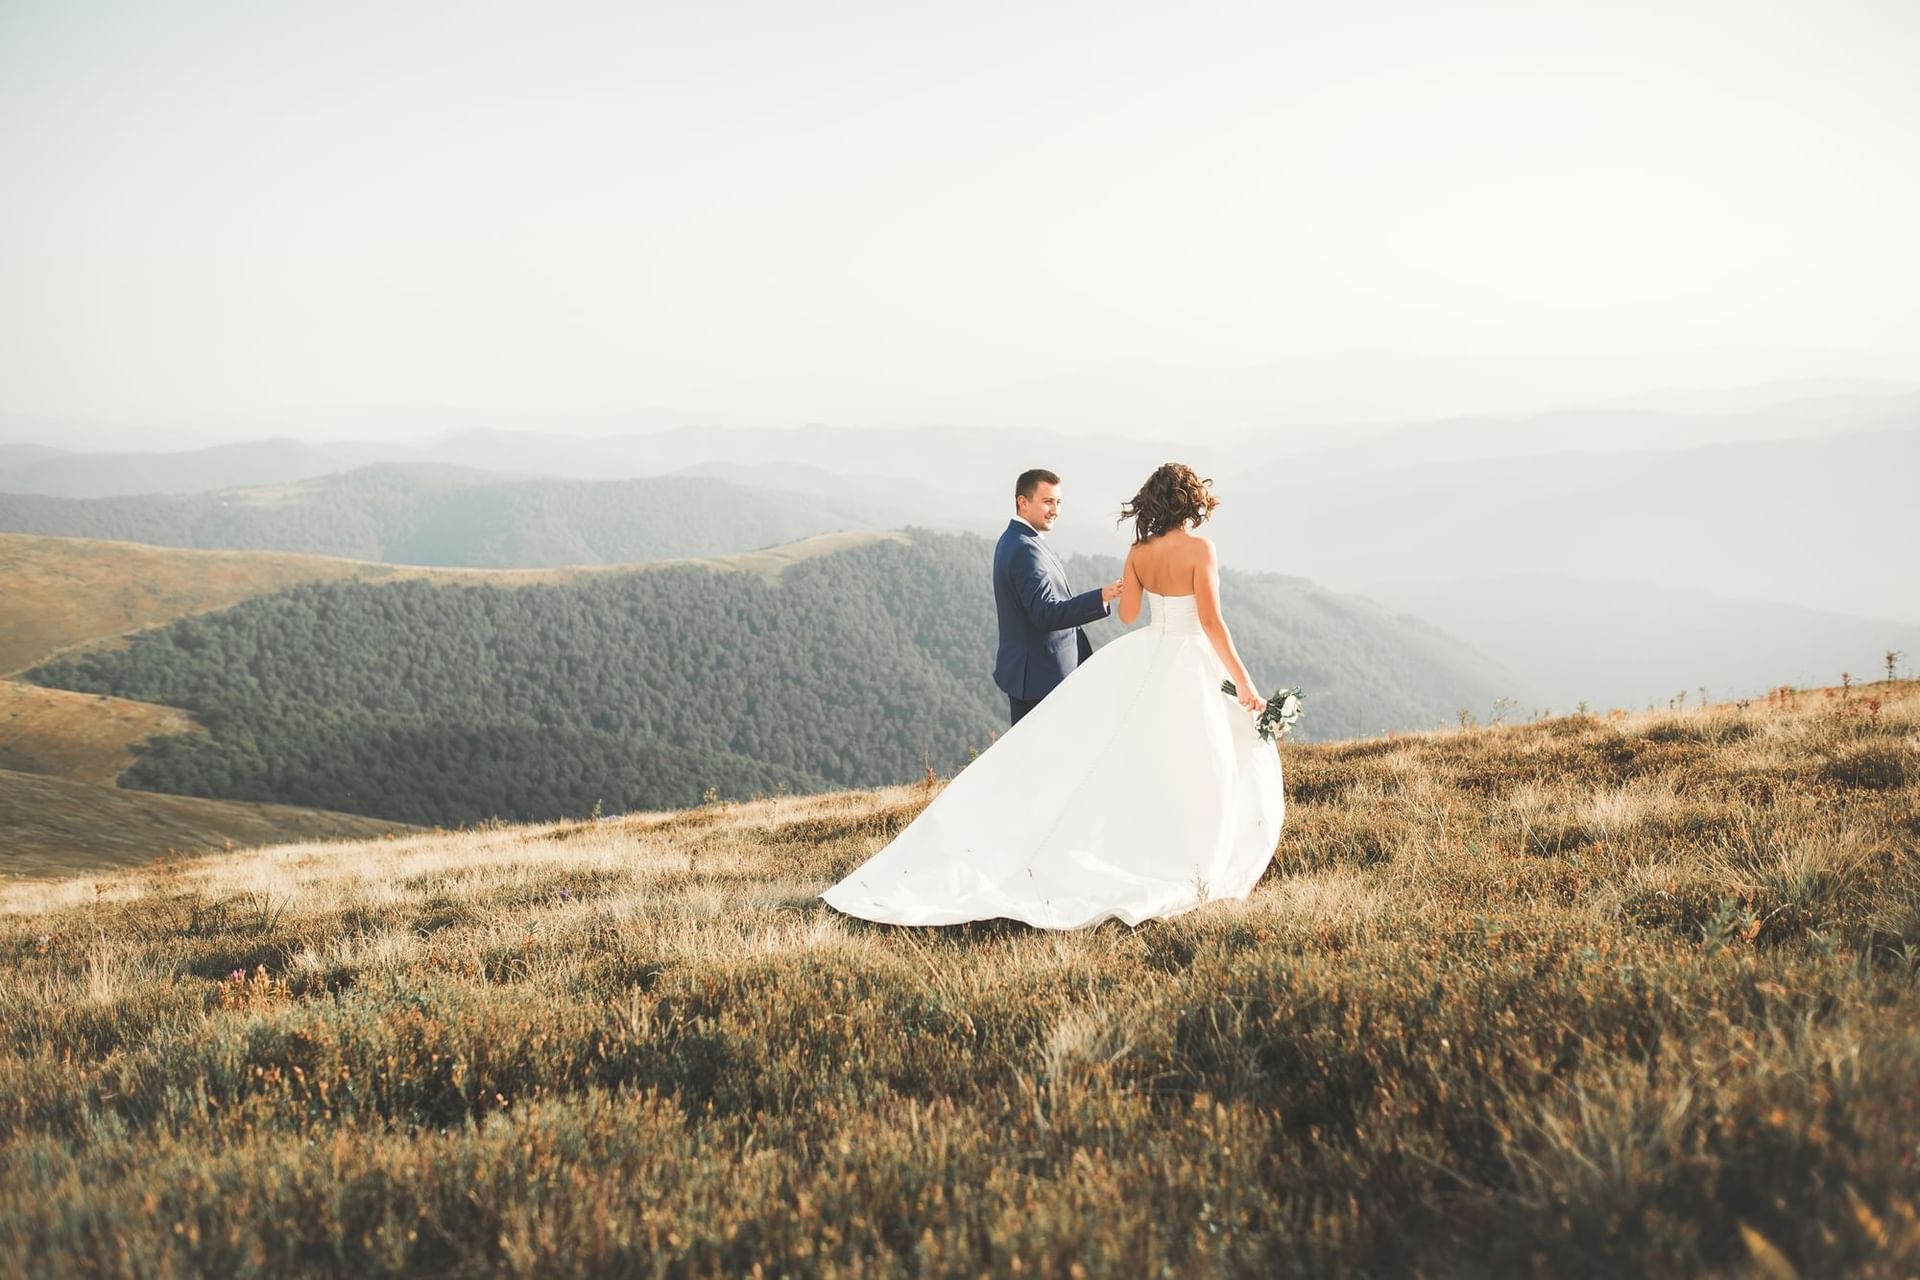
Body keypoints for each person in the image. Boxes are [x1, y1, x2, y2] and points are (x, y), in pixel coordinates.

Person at [820, 462, 1285, 930]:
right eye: (1049, 501)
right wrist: (1244, 682)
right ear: (1190, 501)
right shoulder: (1201, 549)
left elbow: (1128, 615)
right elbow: (1212, 623)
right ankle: (1194, 846)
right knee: (1198, 755)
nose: (1056, 509)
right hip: (1190, 660)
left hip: (1151, 655)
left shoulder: (1138, 552)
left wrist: (1133, 590)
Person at [992, 468, 1123, 725]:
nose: (1055, 510)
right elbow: (1045, 614)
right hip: (1042, 678)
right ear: (1023, 502)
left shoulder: (1017, 539)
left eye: (1059, 502)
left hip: (1033, 674)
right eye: (1048, 501)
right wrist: (1102, 596)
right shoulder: (1025, 549)